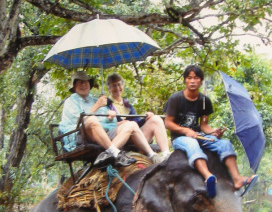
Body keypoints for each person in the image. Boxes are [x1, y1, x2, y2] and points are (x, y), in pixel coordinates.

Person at [164, 64, 258, 198]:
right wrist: (185, 130)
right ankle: (208, 177)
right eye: (189, 78)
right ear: (185, 80)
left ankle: (237, 179)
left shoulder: (204, 101)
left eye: (196, 78)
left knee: (225, 143)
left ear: (201, 81)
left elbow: (204, 126)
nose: (192, 81)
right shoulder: (176, 99)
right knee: (192, 144)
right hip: (180, 138)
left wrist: (213, 132)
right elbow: (168, 123)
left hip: (199, 135)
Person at [59, 71, 163, 168]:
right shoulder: (70, 102)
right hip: (81, 136)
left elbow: (109, 122)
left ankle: (152, 155)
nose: (84, 85)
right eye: (80, 82)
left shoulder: (96, 100)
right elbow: (80, 122)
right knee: (92, 120)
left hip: (103, 132)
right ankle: (115, 153)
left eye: (86, 82)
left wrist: (111, 115)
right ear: (74, 86)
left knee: (130, 124)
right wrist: (97, 106)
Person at [106, 72, 171, 162]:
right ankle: (151, 154)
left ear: (123, 86)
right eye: (114, 85)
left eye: (119, 84)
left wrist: (146, 118)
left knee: (155, 119)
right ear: (108, 88)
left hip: (136, 139)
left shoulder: (127, 105)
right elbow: (104, 125)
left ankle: (166, 154)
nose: (117, 88)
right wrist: (119, 123)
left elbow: (137, 123)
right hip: (119, 139)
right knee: (130, 125)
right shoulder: (106, 104)